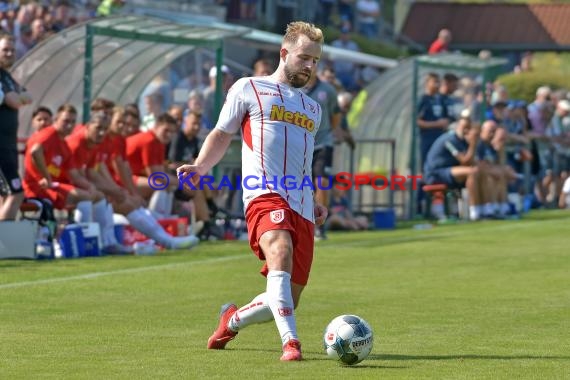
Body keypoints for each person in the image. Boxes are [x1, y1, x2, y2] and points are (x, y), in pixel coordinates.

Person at [177, 21, 328, 361]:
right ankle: (291, 342)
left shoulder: (313, 108)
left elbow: (304, 160)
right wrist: (201, 166)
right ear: (284, 53)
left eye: (315, 61)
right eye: (304, 57)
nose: (309, 66)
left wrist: (315, 199)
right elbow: (221, 133)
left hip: (301, 202)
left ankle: (232, 320)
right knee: (280, 251)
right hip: (263, 192)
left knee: (289, 294)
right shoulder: (249, 88)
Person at [0, 32, 32, 220]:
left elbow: (28, 96)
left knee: (5, 196)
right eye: (5, 50)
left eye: (12, 50)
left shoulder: (7, 77)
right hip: (1, 147)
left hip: (8, 146)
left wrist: (16, 96)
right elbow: (16, 101)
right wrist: (16, 97)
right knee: (16, 193)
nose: (10, 54)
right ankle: (4, 242)